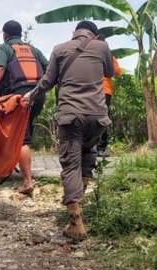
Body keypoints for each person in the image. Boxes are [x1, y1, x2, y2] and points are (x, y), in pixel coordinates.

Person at [23, 20, 114, 241]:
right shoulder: (102, 47)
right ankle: (79, 203)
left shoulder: (59, 49)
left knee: (71, 165)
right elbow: (109, 72)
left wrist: (30, 95)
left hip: (71, 116)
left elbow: (47, 81)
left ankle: (76, 222)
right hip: (97, 116)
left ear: (74, 33)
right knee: (88, 153)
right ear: (94, 34)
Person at [0, 20, 49, 196]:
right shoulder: (34, 50)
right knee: (24, 133)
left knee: (21, 137)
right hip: (38, 95)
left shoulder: (4, 48)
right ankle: (12, 169)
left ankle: (27, 182)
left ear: (5, 34)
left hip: (18, 97)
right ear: (20, 33)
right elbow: (50, 69)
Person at [97, 45, 123, 157]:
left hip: (89, 90)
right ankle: (101, 148)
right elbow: (117, 72)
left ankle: (90, 147)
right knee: (103, 118)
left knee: (89, 117)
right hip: (105, 91)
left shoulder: (88, 53)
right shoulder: (109, 56)